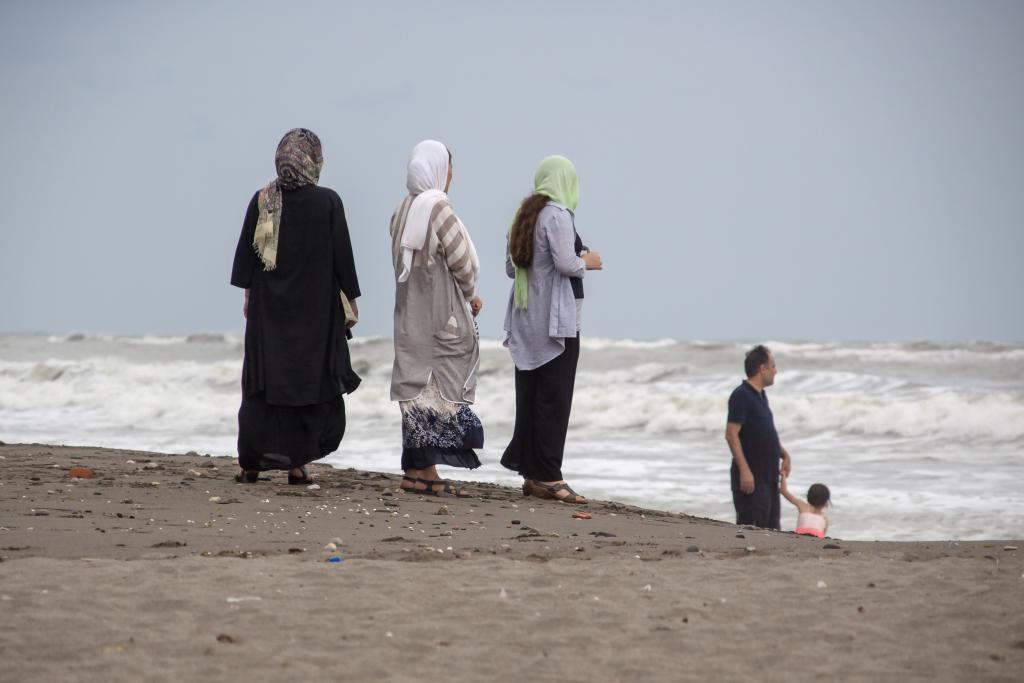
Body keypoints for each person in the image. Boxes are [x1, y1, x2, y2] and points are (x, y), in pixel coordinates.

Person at [230, 128, 361, 485]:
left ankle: (251, 464)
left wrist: (250, 298)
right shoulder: (328, 202)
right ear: (313, 160)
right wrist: (350, 298)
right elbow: (342, 257)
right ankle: (297, 465)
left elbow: (246, 261)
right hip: (313, 316)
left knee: (263, 384)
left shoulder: (262, 200)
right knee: (306, 387)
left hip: (268, 315)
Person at [501, 155, 602, 504]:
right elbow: (564, 263)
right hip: (557, 323)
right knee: (554, 400)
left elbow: (512, 269)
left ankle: (532, 475)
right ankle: (550, 476)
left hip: (527, 318)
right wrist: (587, 262)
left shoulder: (524, 216)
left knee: (531, 397)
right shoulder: (558, 215)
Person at [389, 140, 484, 497]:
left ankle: (417, 470)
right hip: (440, 314)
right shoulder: (439, 210)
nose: (451, 177)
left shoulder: (400, 211)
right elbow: (462, 261)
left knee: (416, 390)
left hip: (408, 314)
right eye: (450, 168)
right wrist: (471, 294)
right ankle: (423, 469)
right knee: (437, 390)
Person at [724, 345, 793, 528]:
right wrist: (745, 471)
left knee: (771, 529)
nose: (775, 371)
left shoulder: (761, 396)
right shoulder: (741, 395)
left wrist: (784, 455)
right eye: (773, 366)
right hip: (752, 478)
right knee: (753, 529)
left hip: (769, 477)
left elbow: (763, 434)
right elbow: (731, 434)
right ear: (762, 369)